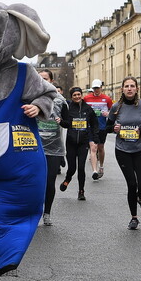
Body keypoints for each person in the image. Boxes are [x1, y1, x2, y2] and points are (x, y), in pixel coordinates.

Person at [106, 77, 141, 230]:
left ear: (137, 89)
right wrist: (113, 129)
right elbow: (107, 127)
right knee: (131, 184)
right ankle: (134, 218)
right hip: (123, 150)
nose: (129, 89)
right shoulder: (116, 107)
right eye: (126, 86)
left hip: (140, 149)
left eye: (132, 86)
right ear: (122, 89)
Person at [38, 70, 67, 225]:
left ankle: (47, 213)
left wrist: (61, 121)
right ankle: (34, 212)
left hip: (54, 148)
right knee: (35, 182)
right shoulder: (30, 98)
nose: (42, 81)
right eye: (40, 79)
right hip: (34, 147)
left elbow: (69, 122)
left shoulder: (60, 100)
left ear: (51, 80)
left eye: (45, 79)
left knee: (50, 182)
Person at [59, 87, 99, 200]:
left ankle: (81, 191)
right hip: (71, 142)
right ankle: (67, 179)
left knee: (81, 167)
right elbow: (66, 123)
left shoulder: (88, 109)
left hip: (83, 142)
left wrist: (95, 137)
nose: (77, 97)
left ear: (81, 95)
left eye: (79, 94)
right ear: (71, 97)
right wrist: (61, 122)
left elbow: (94, 124)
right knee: (72, 168)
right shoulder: (68, 108)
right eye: (74, 95)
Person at [83, 79, 113, 179]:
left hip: (102, 126)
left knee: (100, 148)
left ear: (101, 88)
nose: (96, 90)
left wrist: (108, 114)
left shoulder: (107, 99)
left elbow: (113, 111)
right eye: (95, 88)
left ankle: (101, 166)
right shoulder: (86, 98)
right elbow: (83, 109)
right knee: (93, 147)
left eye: (98, 88)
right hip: (90, 127)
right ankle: (94, 171)